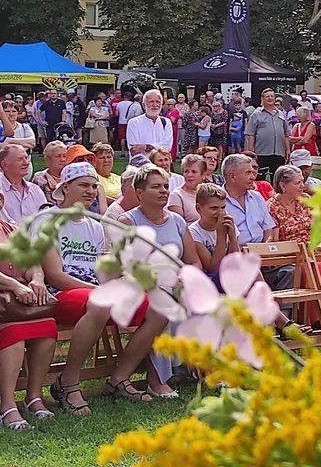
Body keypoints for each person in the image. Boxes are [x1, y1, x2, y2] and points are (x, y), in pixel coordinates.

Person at [39, 163, 168, 413]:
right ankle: (68, 383)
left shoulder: (93, 225)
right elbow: (54, 276)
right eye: (83, 185)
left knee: (159, 307)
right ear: (65, 188)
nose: (91, 191)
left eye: (94, 185)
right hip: (60, 293)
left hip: (93, 290)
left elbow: (103, 271)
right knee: (101, 302)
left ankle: (119, 378)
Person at [117, 165, 199, 398]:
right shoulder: (128, 222)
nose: (164, 191)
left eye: (165, 186)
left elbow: (193, 261)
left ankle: (207, 368)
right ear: (140, 193)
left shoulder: (177, 221)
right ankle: (157, 379)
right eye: (156, 187)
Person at [0, 189, 56, 431]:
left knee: (47, 329)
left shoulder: (12, 230)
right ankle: (7, 405)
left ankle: (34, 396)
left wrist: (37, 280)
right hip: (6, 298)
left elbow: (35, 264)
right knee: (14, 332)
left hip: (18, 297)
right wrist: (13, 284)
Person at [267, 166, 321, 326]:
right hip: (289, 255)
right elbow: (274, 239)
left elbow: (316, 229)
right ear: (283, 186)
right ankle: (309, 319)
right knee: (312, 267)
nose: (302, 185)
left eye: (302, 181)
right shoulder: (272, 207)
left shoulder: (305, 200)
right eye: (297, 182)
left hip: (310, 250)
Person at [221, 154, 294, 294]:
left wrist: (264, 250)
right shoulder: (219, 200)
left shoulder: (257, 197)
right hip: (235, 257)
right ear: (232, 176)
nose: (253, 177)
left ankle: (283, 313)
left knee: (290, 270)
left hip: (261, 255)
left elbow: (269, 229)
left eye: (253, 172)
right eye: (248, 172)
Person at [188, 183, 240, 276]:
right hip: (209, 279)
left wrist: (233, 238)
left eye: (223, 208)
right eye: (214, 208)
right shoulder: (193, 232)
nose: (220, 213)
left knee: (254, 272)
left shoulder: (228, 224)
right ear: (198, 208)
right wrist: (221, 235)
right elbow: (213, 268)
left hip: (229, 274)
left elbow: (237, 262)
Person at [245, 89, 290, 180]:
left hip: (278, 153)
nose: (270, 98)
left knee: (278, 179)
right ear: (262, 99)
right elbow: (251, 134)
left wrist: (288, 150)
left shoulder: (281, 114)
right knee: (259, 178)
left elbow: (286, 134)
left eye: (272, 96)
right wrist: (251, 151)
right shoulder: (256, 114)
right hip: (261, 153)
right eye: (267, 96)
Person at [0, 144, 46, 225]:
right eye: (19, 159)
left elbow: (45, 219)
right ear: (4, 165)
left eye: (26, 158)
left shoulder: (36, 190)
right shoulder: (1, 191)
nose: (26, 163)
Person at [64, 144, 108, 215]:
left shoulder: (99, 187)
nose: (86, 162)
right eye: (80, 159)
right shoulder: (63, 187)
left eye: (89, 159)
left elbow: (104, 216)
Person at [127, 90, 173, 156]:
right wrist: (158, 146)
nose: (155, 105)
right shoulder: (134, 123)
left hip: (161, 165)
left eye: (158, 102)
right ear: (143, 105)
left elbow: (167, 147)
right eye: (151, 102)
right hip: (140, 165)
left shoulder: (166, 122)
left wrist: (145, 147)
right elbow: (134, 150)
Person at [168, 154, 207, 223]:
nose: (189, 175)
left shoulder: (210, 192)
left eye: (194, 171)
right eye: (186, 171)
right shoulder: (177, 196)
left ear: (203, 175)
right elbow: (179, 226)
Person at [31, 141, 67, 206]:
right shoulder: (40, 178)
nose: (62, 159)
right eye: (58, 156)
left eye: (64, 156)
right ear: (47, 159)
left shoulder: (70, 176)